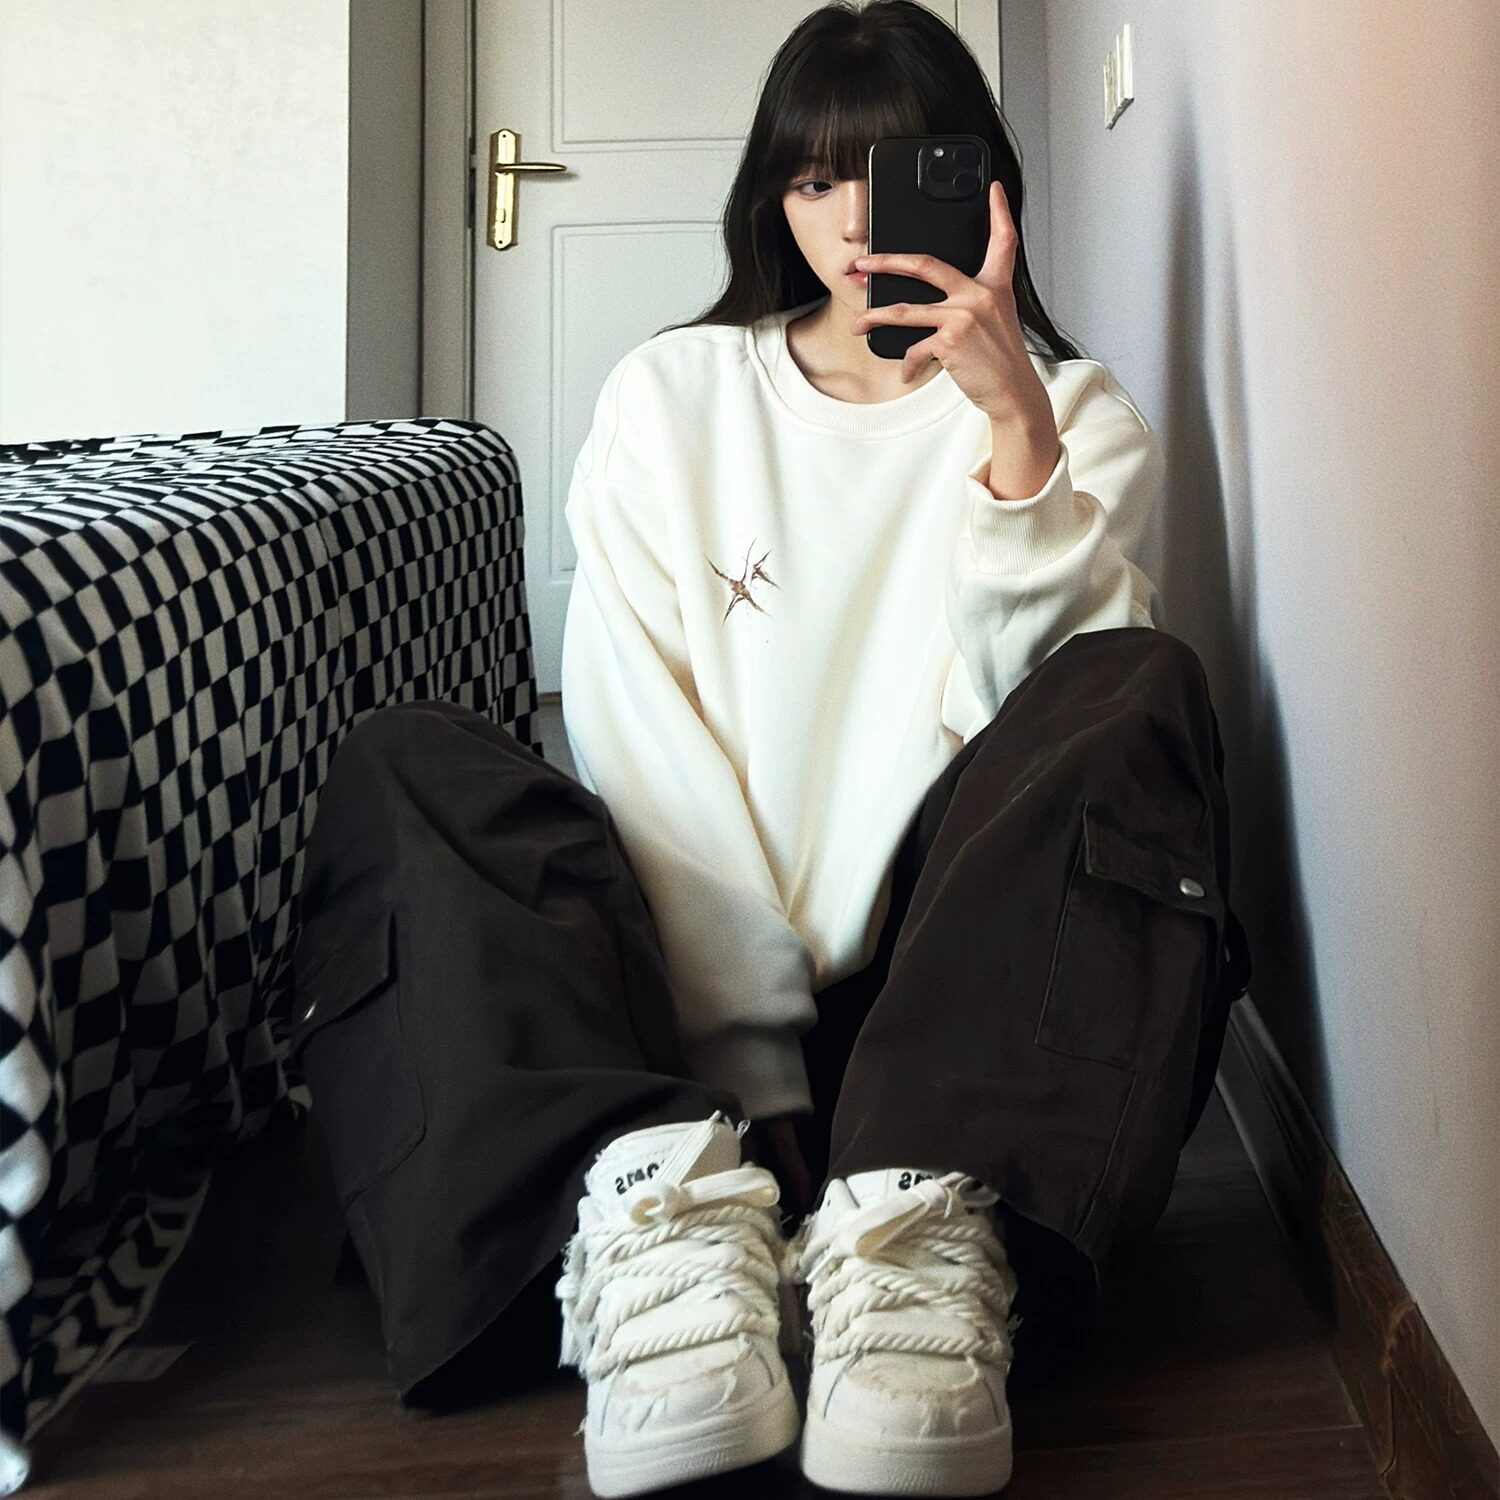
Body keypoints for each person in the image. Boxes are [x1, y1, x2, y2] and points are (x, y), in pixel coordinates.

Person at [287, 4, 1251, 1497]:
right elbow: (633, 735)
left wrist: (1014, 441)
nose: (856, 223)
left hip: (955, 1024)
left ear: (982, 185)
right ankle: (666, 1227)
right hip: (679, 1023)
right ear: (772, 202)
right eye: (814, 181)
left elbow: (1054, 757)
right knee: (411, 760)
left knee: (1138, 680)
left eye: (894, 172)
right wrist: (745, 1061)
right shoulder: (672, 397)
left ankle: (916, 1235)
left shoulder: (1077, 418)